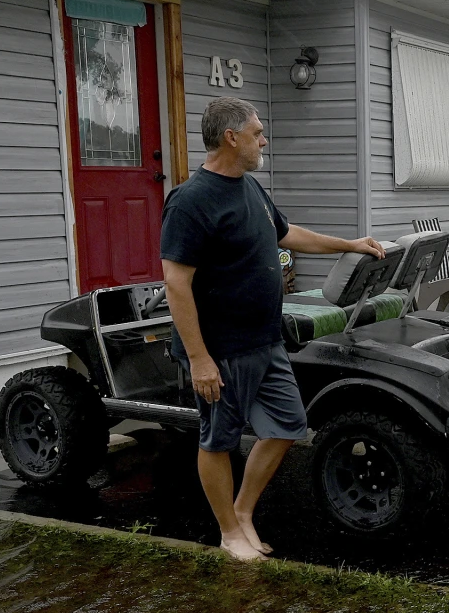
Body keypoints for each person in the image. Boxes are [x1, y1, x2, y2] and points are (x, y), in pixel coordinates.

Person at [161, 96, 384, 562]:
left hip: (266, 340)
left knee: (287, 425)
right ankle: (228, 532)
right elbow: (176, 282)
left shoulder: (251, 189)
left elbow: (287, 233)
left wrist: (351, 244)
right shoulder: (190, 200)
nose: (264, 139)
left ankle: (243, 511)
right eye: (258, 132)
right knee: (217, 438)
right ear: (232, 137)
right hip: (222, 350)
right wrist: (199, 357)